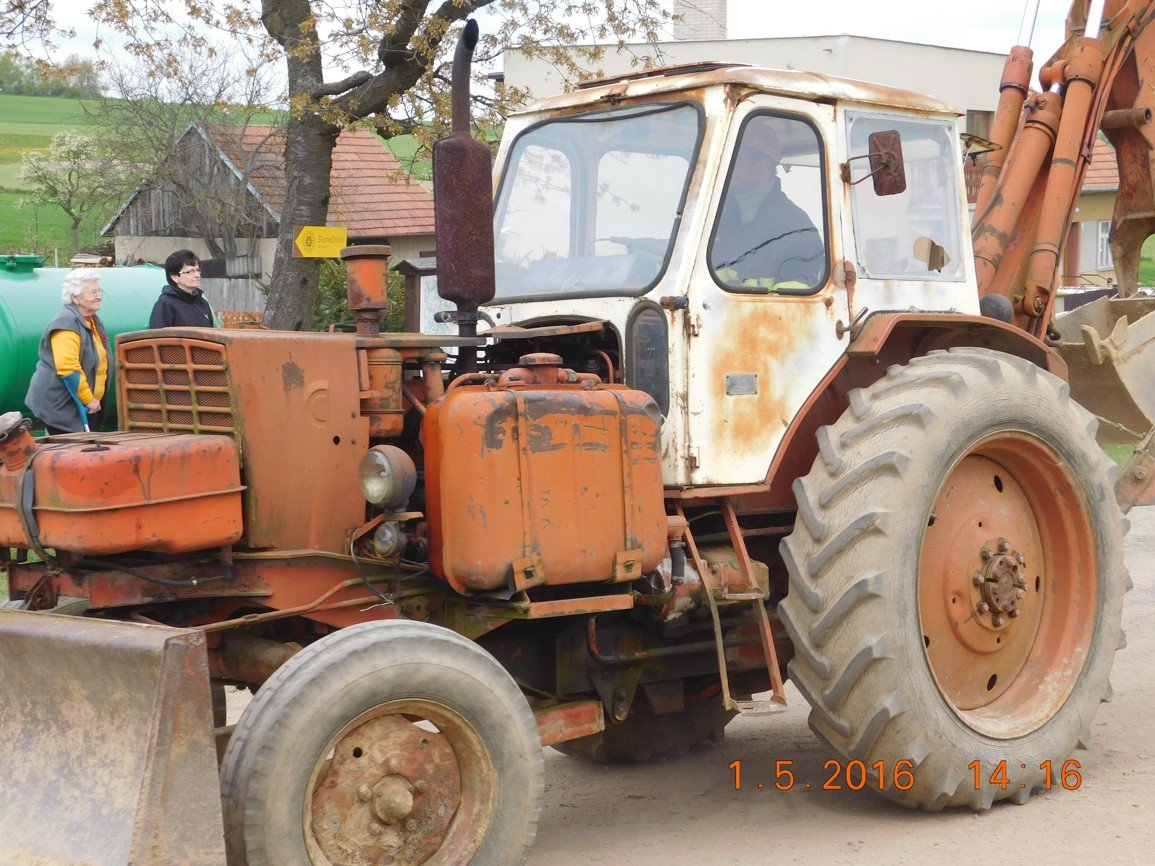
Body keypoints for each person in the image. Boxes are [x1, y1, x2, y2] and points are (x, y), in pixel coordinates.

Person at [711, 120, 825, 290]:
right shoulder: (718, 215)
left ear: (761, 166)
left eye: (735, 160)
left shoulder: (796, 228)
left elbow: (795, 303)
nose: (726, 168)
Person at [25, 269, 111, 434]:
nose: (99, 296)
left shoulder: (92, 321)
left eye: (99, 291)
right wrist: (89, 399)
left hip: (80, 404)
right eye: (93, 292)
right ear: (75, 297)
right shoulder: (66, 323)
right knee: (70, 448)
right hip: (60, 406)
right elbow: (68, 368)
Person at [150, 249, 215, 328]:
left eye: (198, 270)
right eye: (191, 271)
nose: (197, 275)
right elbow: (158, 334)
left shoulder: (203, 304)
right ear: (175, 277)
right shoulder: (165, 304)